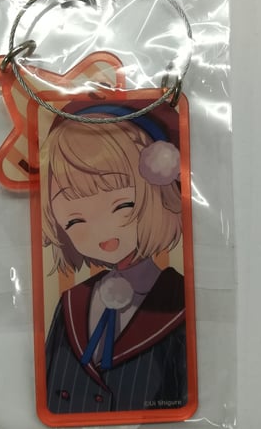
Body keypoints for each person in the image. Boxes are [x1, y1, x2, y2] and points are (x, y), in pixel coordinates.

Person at [40, 107, 187, 414]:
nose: (102, 233)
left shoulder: (178, 301)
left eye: (123, 206)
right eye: (74, 221)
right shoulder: (71, 302)